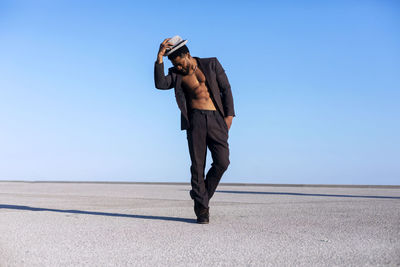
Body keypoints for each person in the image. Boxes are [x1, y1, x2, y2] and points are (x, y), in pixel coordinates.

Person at [154, 36, 235, 224]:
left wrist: (228, 118)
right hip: (196, 120)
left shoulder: (212, 64)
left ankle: (200, 194)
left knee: (223, 162)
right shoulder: (176, 74)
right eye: (176, 66)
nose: (180, 68)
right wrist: (159, 58)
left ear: (188, 55)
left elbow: (226, 89)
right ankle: (202, 209)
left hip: (216, 119)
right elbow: (160, 84)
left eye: (181, 63)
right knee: (198, 166)